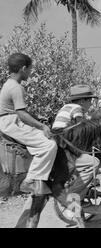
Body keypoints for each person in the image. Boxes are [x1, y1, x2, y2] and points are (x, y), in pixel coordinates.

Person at [0, 53, 57, 195]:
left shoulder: (9, 84)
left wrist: (37, 118)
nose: (30, 73)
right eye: (30, 70)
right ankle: (29, 181)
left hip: (10, 120)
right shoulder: (16, 87)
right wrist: (42, 126)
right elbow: (21, 114)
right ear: (23, 68)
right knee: (49, 145)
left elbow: (20, 111)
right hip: (12, 123)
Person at [51, 85, 101, 214]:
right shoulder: (77, 109)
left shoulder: (66, 107)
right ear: (82, 101)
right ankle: (75, 196)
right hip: (65, 146)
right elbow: (83, 131)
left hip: (59, 143)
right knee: (94, 163)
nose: (90, 104)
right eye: (89, 101)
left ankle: (79, 188)